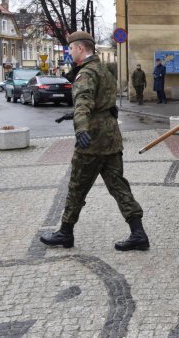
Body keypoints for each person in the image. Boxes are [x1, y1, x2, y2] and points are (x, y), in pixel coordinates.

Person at [40, 31, 150, 251]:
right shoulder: (105, 71)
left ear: (80, 48)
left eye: (70, 49)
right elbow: (104, 104)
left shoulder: (86, 74)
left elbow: (84, 103)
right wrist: (75, 116)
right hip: (111, 139)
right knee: (119, 186)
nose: (69, 53)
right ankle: (138, 233)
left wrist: (81, 127)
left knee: (76, 187)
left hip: (91, 142)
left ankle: (65, 232)